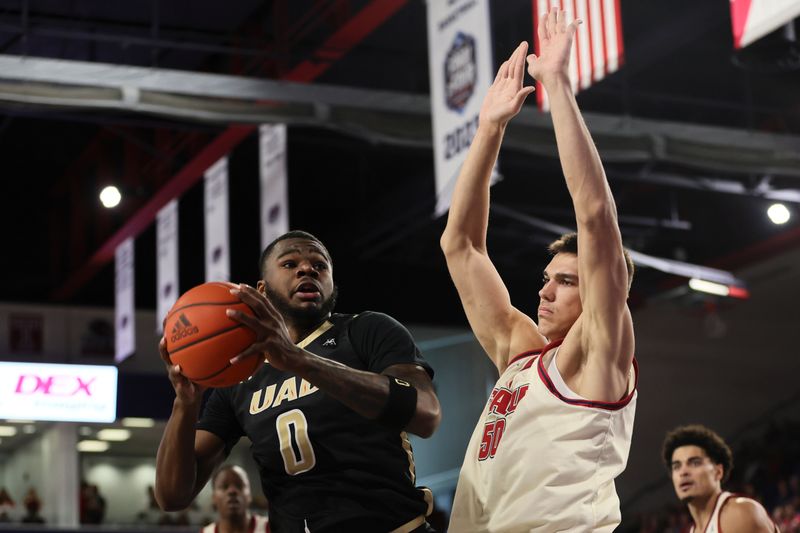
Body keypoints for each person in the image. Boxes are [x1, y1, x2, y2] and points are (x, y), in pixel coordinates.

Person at [440, 7, 637, 532]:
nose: (546, 292)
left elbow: (595, 217)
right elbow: (461, 247)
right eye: (546, 279)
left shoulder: (600, 355)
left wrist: (558, 87)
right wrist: (488, 129)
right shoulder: (520, 357)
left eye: (567, 281)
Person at [156, 230, 441, 533]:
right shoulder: (240, 376)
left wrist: (299, 360)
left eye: (320, 265)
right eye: (290, 264)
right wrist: (185, 404)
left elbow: (426, 414)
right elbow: (172, 496)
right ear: (261, 291)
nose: (307, 269)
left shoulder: (366, 330)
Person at [662, 424, 779, 532]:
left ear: (718, 472)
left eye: (695, 463)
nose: (683, 472)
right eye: (676, 466)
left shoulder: (739, 514)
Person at [202, 465, 269, 533]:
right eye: (224, 486)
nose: (232, 491)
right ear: (214, 497)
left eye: (239, 485)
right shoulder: (205, 532)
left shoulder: (270, 527)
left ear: (249, 495)